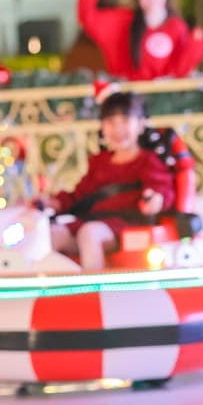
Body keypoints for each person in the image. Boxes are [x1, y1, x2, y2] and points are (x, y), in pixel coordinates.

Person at [41, 90, 175, 270]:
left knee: (89, 233)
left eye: (125, 121)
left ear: (141, 125)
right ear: (103, 127)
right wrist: (54, 202)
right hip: (88, 223)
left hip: (124, 227)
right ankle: (53, 292)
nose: (118, 129)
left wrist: (154, 199)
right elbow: (80, 196)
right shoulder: (99, 162)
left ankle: (95, 291)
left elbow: (161, 189)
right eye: (111, 122)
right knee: (50, 235)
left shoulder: (148, 161)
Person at [77, 0, 203, 80]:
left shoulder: (177, 26)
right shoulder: (124, 22)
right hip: (129, 98)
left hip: (167, 98)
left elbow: (180, 70)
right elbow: (88, 18)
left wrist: (196, 44)